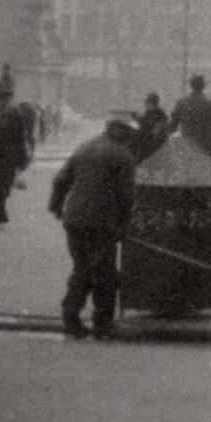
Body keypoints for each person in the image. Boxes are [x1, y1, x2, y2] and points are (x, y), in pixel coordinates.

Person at [49, 119, 137, 339]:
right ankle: (102, 324)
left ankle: (72, 319)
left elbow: (60, 180)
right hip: (101, 222)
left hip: (75, 220)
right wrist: (126, 224)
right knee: (105, 273)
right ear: (122, 134)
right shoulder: (122, 155)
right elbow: (126, 196)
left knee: (82, 267)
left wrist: (56, 206)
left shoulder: (84, 147)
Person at [0, 84, 31, 227]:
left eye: (4, 98)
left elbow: (20, 137)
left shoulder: (16, 114)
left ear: (9, 98)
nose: (1, 100)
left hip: (7, 157)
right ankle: (0, 214)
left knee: (1, 188)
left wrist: (22, 159)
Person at [167, 75, 211, 159]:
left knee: (187, 170)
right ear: (203, 86)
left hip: (186, 147)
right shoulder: (208, 104)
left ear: (191, 86)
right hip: (204, 148)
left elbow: (172, 127)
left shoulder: (182, 103)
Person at [134, 93, 170, 163]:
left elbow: (155, 131)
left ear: (151, 102)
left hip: (153, 146)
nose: (145, 104)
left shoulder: (160, 115)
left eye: (146, 102)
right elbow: (145, 125)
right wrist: (138, 119)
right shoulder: (149, 113)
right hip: (148, 143)